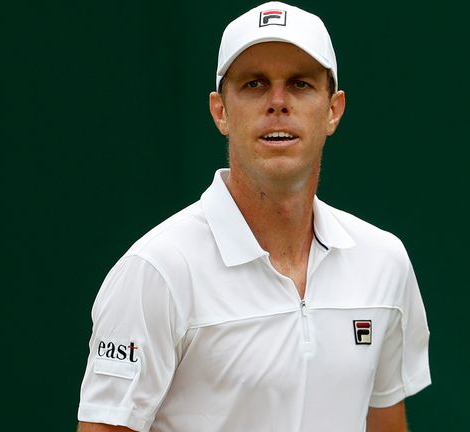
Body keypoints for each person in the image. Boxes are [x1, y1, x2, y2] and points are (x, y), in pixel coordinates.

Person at [77, 2, 431, 431]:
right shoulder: (156, 271)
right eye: (254, 84)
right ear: (220, 110)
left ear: (332, 110)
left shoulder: (384, 261)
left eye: (299, 84)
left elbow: (384, 422)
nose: (277, 102)